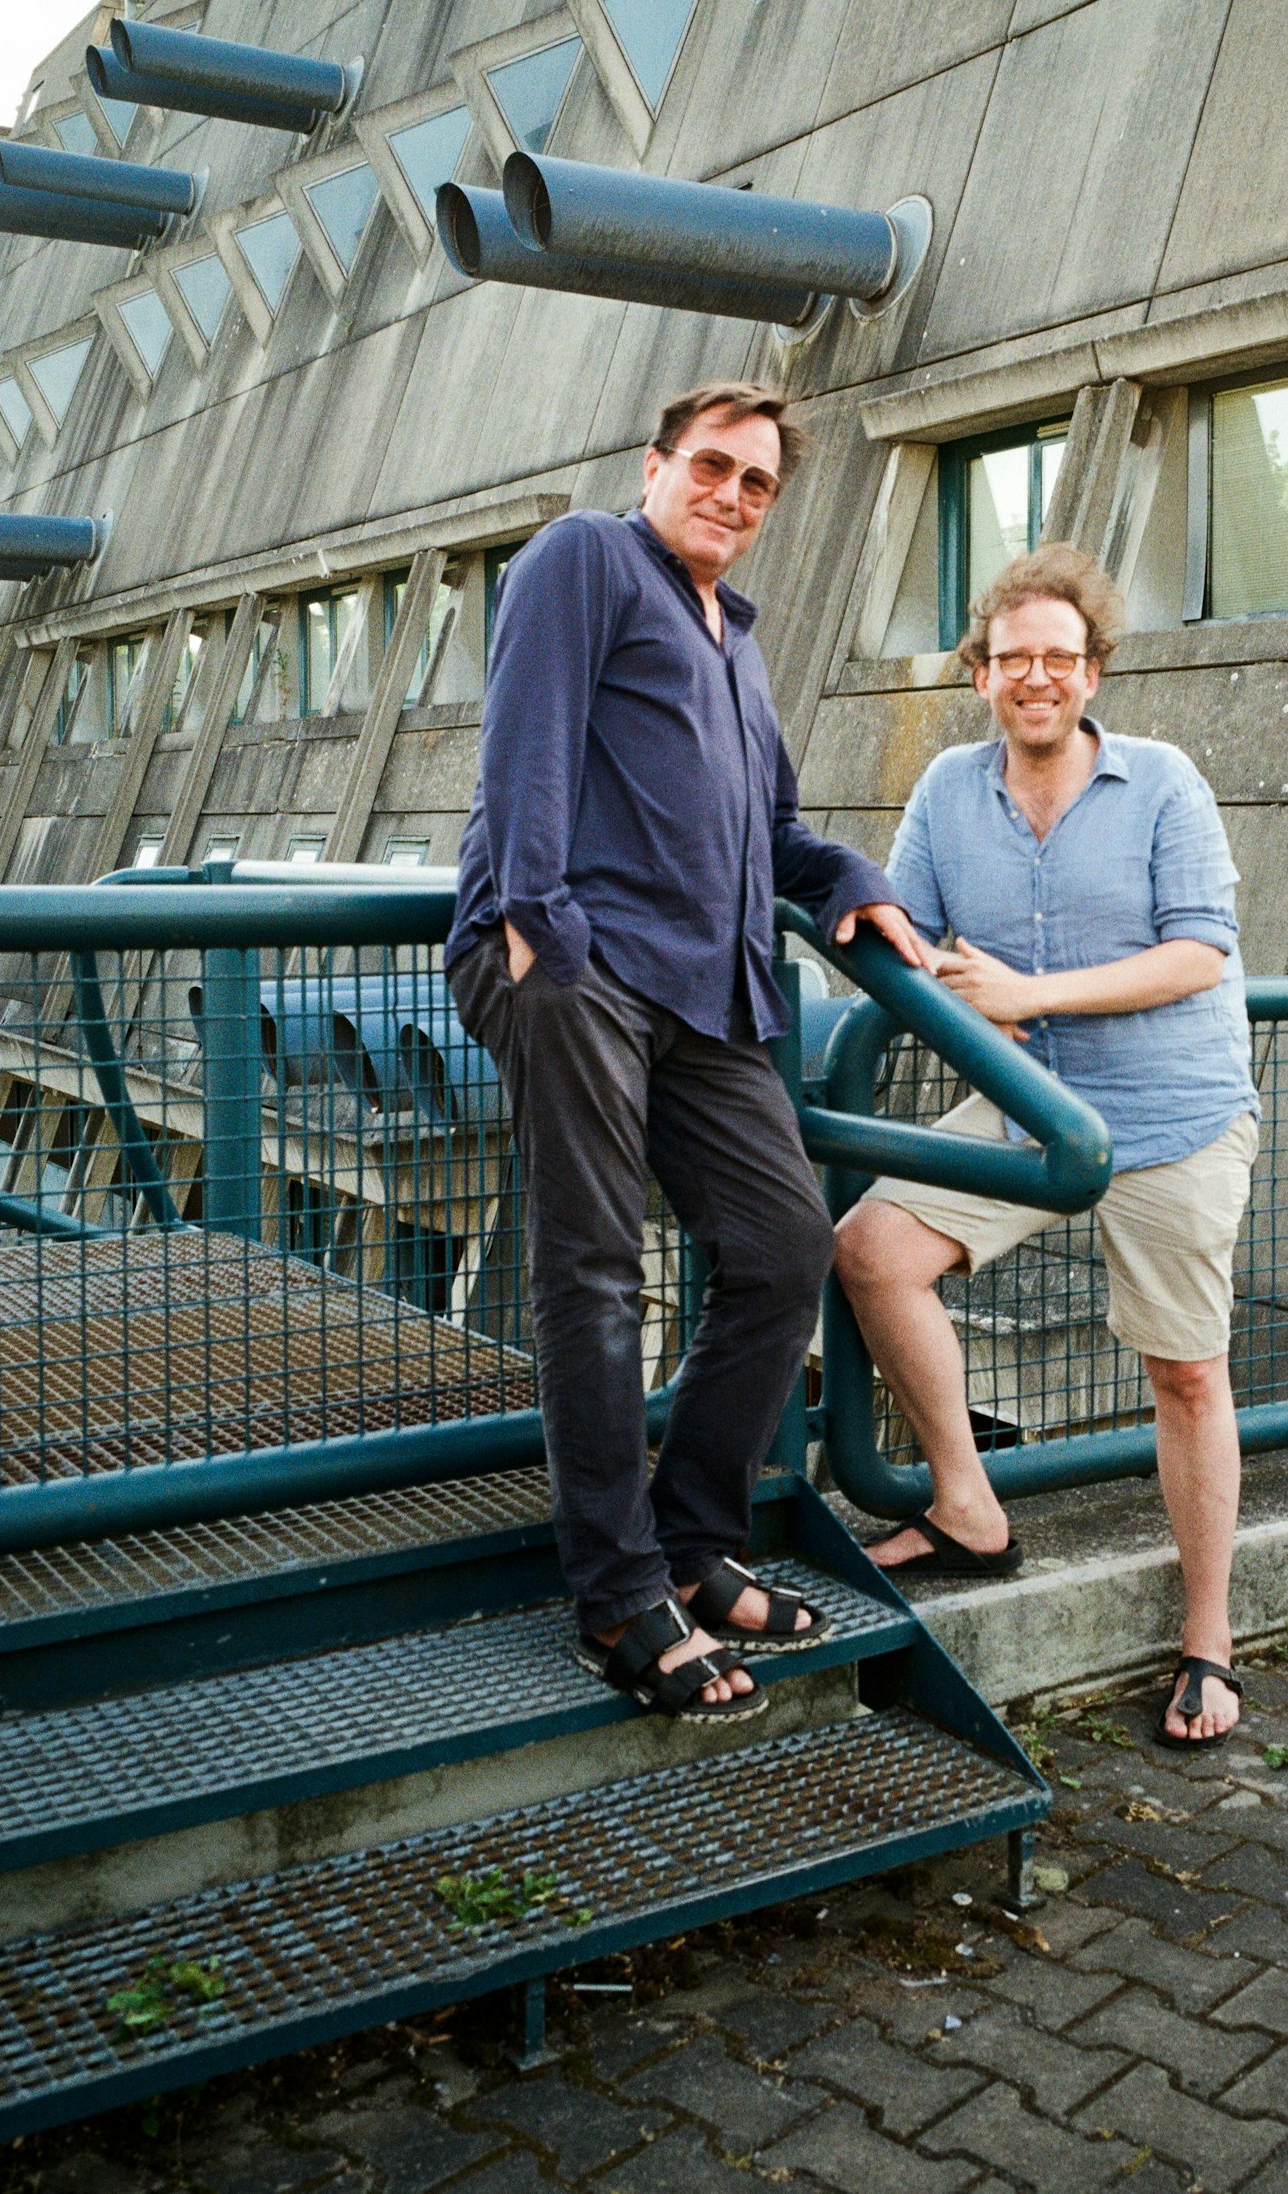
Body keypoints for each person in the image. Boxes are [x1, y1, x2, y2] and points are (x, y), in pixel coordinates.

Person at [446, 380, 929, 1725]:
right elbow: (526, 736)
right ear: (656, 465)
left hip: (708, 996)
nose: (731, 492)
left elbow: (772, 831)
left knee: (783, 1245)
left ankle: (695, 1541)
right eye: (711, 465)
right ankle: (616, 1590)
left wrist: (851, 880)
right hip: (579, 963)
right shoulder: (588, 555)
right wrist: (536, 921)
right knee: (595, 1269)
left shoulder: (737, 643)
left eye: (757, 482)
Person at [832, 543, 1261, 1748]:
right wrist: (922, 964)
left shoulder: (1162, 781)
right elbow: (897, 929)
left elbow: (1197, 954)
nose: (1036, 676)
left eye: (1058, 658)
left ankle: (1207, 1638)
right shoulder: (945, 790)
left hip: (1168, 1111)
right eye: (1012, 656)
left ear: (1091, 670)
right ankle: (967, 1506)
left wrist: (1032, 991)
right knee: (868, 1247)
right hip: (1024, 1106)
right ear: (978, 671)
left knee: (1182, 1372)